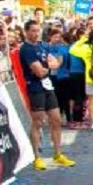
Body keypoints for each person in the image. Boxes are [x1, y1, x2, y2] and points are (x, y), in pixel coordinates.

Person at [17, 20, 76, 171]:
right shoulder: (26, 49)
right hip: (35, 87)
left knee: (56, 119)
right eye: (33, 31)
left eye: (38, 30)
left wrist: (47, 66)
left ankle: (58, 153)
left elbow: (57, 62)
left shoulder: (42, 45)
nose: (36, 33)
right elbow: (39, 71)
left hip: (47, 86)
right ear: (26, 32)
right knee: (38, 121)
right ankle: (36, 156)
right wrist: (48, 66)